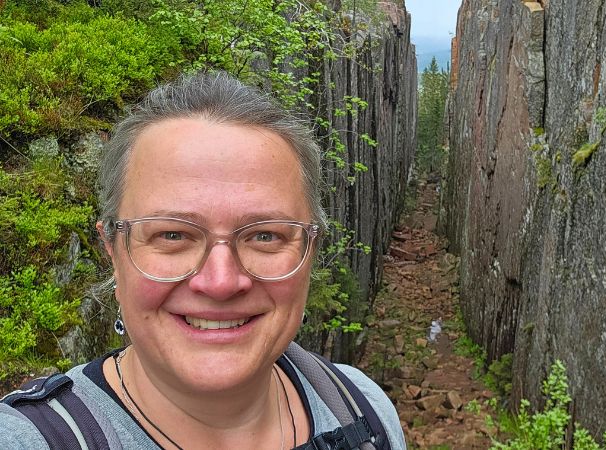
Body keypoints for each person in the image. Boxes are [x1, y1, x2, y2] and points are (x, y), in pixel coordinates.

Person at [0, 72, 405, 449]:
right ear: (112, 248)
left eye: (266, 235)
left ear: (309, 251)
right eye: (172, 235)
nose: (221, 281)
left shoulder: (363, 409)